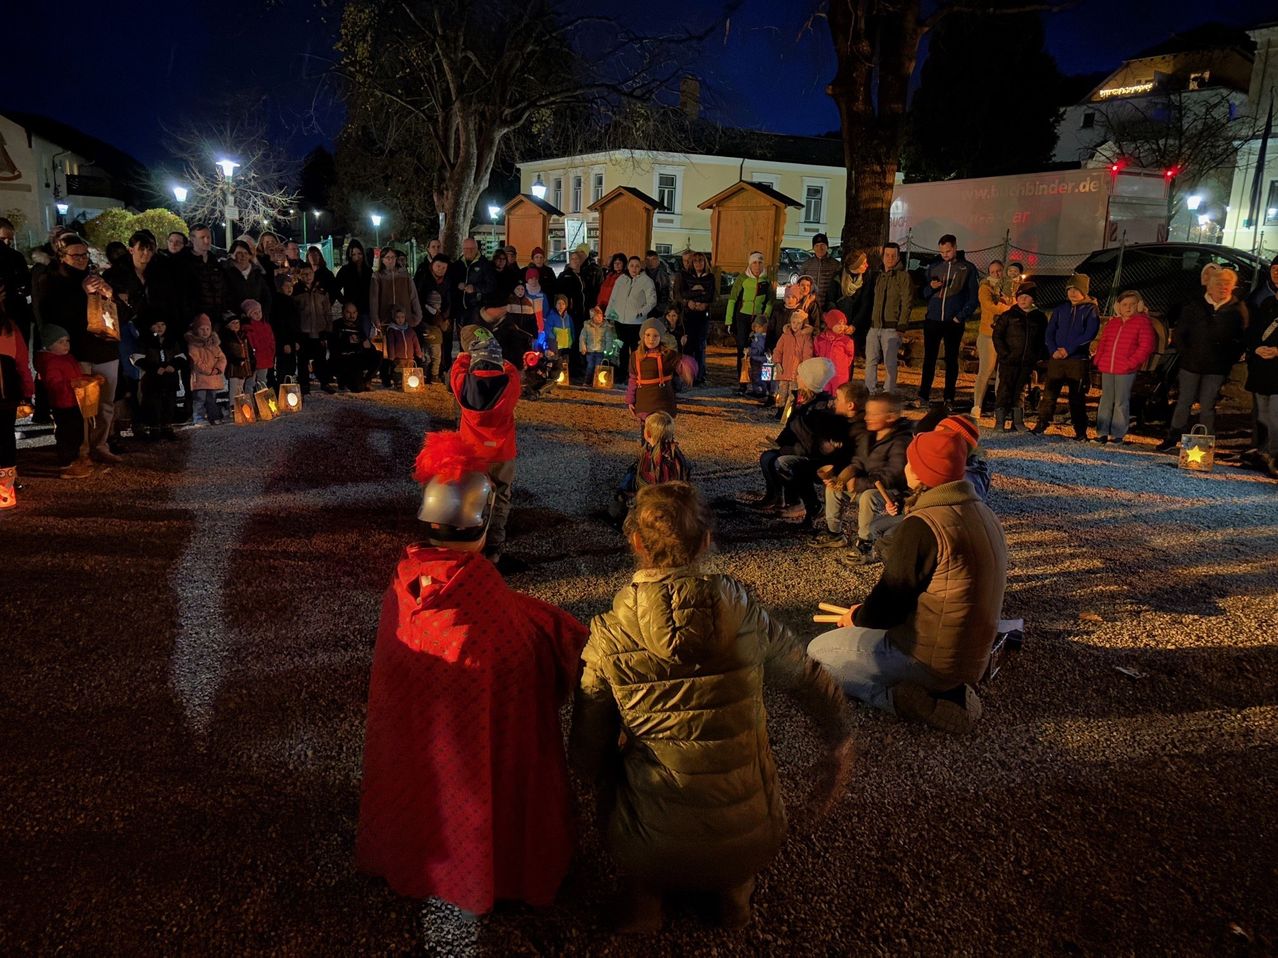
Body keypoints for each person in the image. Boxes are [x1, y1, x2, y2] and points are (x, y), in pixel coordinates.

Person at [570, 481, 852, 933]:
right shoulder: (745, 615)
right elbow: (807, 679)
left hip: (650, 844)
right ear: (705, 541)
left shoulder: (609, 636)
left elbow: (588, 748)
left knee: (618, 771)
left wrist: (595, 775)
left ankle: (645, 902)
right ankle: (733, 896)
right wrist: (838, 737)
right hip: (752, 834)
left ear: (636, 543)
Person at [356, 430, 587, 913]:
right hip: (477, 738)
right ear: (479, 528)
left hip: (425, 730)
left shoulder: (403, 583)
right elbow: (515, 654)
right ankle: (492, 869)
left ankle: (414, 848)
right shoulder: (480, 583)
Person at [807, 428, 1007, 734]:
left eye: (912, 462)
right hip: (972, 657)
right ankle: (941, 689)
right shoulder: (984, 513)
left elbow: (889, 604)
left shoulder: (926, 524)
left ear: (924, 472)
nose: (907, 467)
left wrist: (857, 617)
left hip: (929, 659)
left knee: (818, 654)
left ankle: (903, 698)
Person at [33, 233, 125, 463]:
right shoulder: (50, 281)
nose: (82, 259)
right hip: (75, 351)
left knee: (105, 403)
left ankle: (100, 444)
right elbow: (52, 317)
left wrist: (110, 295)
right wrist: (81, 294)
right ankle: (80, 449)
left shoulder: (96, 278)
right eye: (76, 256)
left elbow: (121, 314)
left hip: (104, 349)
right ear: (62, 256)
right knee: (80, 404)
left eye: (85, 255)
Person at [1155, 267, 1249, 452]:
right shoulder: (1194, 306)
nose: (1223, 287)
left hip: (1217, 368)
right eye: (1219, 283)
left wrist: (1228, 359)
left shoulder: (1237, 309)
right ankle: (1172, 438)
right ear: (1210, 286)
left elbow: (1241, 338)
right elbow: (1180, 333)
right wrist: (1187, 353)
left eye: (1227, 284)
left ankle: (1204, 445)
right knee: (1184, 402)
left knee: (1207, 405)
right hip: (1191, 364)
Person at [452, 328, 521, 569]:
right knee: (501, 495)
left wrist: (465, 357)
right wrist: (503, 361)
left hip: (473, 452)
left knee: (472, 495)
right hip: (502, 452)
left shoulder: (463, 384)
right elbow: (513, 371)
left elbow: (456, 370)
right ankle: (494, 548)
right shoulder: (509, 384)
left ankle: (470, 544)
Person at [816, 390, 911, 557]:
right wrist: (840, 479)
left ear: (890, 417)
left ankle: (866, 543)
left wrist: (857, 484)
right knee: (833, 489)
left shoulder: (900, 441)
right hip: (866, 484)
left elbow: (892, 475)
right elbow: (859, 461)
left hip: (891, 492)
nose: (867, 417)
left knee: (869, 497)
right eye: (868, 413)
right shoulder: (869, 435)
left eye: (874, 414)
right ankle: (834, 532)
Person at [751, 358, 837, 524]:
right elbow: (791, 428)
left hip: (812, 457)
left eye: (800, 375)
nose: (797, 377)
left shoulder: (818, 410)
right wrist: (780, 442)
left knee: (782, 463)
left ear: (809, 380)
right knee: (766, 457)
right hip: (797, 449)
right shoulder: (803, 401)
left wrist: (784, 449)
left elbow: (810, 445)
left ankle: (798, 502)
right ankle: (775, 497)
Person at [1032, 273, 1100, 441]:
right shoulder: (1061, 309)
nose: (1072, 293)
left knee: (1076, 397)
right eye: (1069, 289)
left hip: (1077, 359)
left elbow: (1089, 333)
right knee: (1049, 394)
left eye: (1076, 290)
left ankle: (1080, 430)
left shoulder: (1090, 310)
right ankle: (1042, 423)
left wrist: (1068, 350)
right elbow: (1050, 331)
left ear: (1084, 291)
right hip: (1057, 358)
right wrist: (1053, 350)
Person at [918, 234, 979, 408]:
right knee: (929, 359)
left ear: (955, 248)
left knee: (951, 360)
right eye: (942, 251)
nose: (945, 254)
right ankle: (923, 395)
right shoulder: (934, 267)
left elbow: (973, 298)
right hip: (933, 320)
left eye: (948, 251)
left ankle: (949, 398)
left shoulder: (967, 268)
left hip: (953, 322)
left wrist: (960, 316)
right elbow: (923, 294)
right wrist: (930, 288)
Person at [1092, 291, 1157, 445]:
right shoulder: (1113, 323)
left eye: (1132, 304)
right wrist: (1099, 359)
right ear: (1118, 307)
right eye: (1124, 304)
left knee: (1121, 401)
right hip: (1108, 367)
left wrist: (1131, 362)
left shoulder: (1142, 323)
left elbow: (1146, 346)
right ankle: (1102, 433)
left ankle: (1117, 434)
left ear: (1139, 306)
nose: (1128, 307)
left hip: (1125, 369)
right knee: (1106, 400)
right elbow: (1103, 342)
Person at [34, 325, 99, 478]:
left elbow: (76, 376)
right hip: (63, 404)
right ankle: (66, 464)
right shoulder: (51, 362)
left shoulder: (67, 358)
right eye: (60, 342)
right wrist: (72, 384)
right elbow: (53, 384)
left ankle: (74, 459)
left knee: (76, 432)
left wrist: (89, 379)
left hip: (74, 401)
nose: (66, 345)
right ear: (48, 345)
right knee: (67, 434)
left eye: (67, 341)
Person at [991, 282, 1047, 433]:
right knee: (1004, 389)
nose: (1023, 300)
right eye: (1020, 297)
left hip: (1027, 361)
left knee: (1020, 391)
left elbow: (1043, 339)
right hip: (1009, 360)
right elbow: (997, 336)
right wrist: (1004, 354)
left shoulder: (1039, 318)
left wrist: (1038, 356)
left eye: (1026, 297)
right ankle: (1000, 421)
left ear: (1033, 299)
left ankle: (1018, 421)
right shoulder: (1008, 316)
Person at [0, 279, 34, 504]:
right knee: (4, 437)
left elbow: (21, 362)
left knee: (4, 436)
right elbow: (22, 364)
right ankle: (6, 484)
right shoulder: (9, 328)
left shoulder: (9, 328)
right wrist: (27, 392)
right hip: (7, 393)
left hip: (7, 392)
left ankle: (6, 485)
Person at [865, 242, 913, 396]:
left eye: (893, 255)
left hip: (892, 328)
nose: (890, 258)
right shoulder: (877, 276)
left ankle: (888, 393)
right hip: (874, 326)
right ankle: (870, 390)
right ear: (883, 256)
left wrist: (902, 326)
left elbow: (907, 302)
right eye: (887, 255)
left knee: (890, 363)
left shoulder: (903, 277)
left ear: (898, 257)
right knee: (870, 361)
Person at [724, 251, 773, 389]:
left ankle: (763, 385)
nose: (757, 266)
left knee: (763, 351)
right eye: (754, 263)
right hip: (743, 317)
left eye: (760, 263)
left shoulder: (767, 280)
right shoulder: (742, 278)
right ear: (750, 264)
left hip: (759, 319)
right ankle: (742, 383)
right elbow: (732, 299)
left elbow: (770, 301)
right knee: (742, 350)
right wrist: (729, 320)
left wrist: (765, 317)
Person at [607, 256, 658, 386]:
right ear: (627, 266)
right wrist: (609, 314)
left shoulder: (646, 281)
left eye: (637, 266)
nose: (634, 268)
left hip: (636, 322)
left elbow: (652, 300)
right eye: (631, 266)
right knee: (622, 349)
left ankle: (636, 374)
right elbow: (613, 298)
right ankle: (622, 374)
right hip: (620, 321)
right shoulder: (621, 279)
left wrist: (641, 312)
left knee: (636, 350)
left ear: (641, 267)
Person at [974, 260, 1013, 418]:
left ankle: (1000, 407)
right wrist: (1008, 308)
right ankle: (977, 405)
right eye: (993, 271)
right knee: (985, 371)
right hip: (988, 334)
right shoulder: (985, 288)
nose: (996, 274)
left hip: (1006, 334)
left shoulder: (1010, 287)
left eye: (999, 271)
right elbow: (989, 306)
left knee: (1002, 374)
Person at [1246, 292, 1278, 478]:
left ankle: (1275, 457)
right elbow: (1255, 330)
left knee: (1275, 417)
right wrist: (1256, 347)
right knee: (1264, 416)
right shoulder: (1268, 304)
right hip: (1263, 370)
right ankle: (1264, 453)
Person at [133, 314, 180, 441]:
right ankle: (154, 429)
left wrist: (174, 366)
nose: (160, 327)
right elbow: (138, 359)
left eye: (163, 324)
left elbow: (180, 357)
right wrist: (154, 368)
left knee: (169, 403)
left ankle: (167, 427)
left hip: (170, 378)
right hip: (153, 379)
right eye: (156, 325)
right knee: (154, 404)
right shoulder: (144, 341)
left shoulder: (171, 341)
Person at [624, 317, 679, 422]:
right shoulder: (635, 356)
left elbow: (681, 364)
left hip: (663, 402)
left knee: (664, 429)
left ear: (661, 337)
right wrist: (630, 400)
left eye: (655, 336)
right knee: (647, 430)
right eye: (648, 335)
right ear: (642, 336)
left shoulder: (667, 355)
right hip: (644, 403)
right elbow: (633, 379)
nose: (651, 339)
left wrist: (687, 367)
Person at [771, 306, 816, 418]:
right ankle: (780, 410)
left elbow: (807, 354)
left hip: (797, 372)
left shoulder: (806, 337)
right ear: (790, 322)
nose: (795, 325)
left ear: (803, 324)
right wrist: (777, 362)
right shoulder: (785, 335)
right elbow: (778, 350)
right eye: (793, 322)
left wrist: (804, 369)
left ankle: (790, 412)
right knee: (782, 391)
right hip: (784, 369)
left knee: (794, 393)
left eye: (799, 323)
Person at [679, 252, 715, 386]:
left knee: (700, 345)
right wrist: (699, 291)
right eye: (695, 261)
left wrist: (697, 297)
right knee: (688, 344)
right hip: (689, 315)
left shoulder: (710, 277)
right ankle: (688, 373)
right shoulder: (686, 276)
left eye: (701, 261)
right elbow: (683, 293)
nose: (698, 264)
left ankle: (700, 375)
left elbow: (710, 296)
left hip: (702, 315)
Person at [295, 267, 333, 394]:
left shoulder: (321, 290)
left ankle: (324, 382)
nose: (307, 276)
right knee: (303, 360)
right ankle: (304, 385)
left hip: (319, 330)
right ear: (300, 276)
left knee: (321, 358)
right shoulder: (296, 291)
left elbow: (327, 311)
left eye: (310, 273)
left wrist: (328, 329)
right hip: (303, 331)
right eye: (304, 274)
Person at [417, 255, 455, 375]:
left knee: (443, 345)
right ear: (432, 265)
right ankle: (426, 372)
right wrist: (433, 314)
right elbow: (419, 299)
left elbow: (449, 300)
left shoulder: (447, 280)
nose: (440, 270)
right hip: (425, 318)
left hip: (442, 317)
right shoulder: (423, 278)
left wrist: (445, 316)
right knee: (428, 346)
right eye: (438, 266)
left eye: (444, 268)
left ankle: (442, 370)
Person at [185, 313, 226, 426]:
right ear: (196, 330)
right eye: (202, 329)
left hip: (212, 379)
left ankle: (214, 417)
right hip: (200, 379)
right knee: (200, 399)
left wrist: (218, 369)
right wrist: (208, 370)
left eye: (207, 329)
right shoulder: (193, 346)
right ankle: (199, 418)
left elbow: (222, 358)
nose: (205, 331)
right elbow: (196, 361)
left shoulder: (214, 345)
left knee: (212, 399)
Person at [369, 247, 423, 331]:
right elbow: (374, 299)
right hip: (386, 320)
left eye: (393, 257)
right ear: (382, 259)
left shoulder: (405, 275)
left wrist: (418, 316)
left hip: (405, 319)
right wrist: (375, 318)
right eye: (387, 257)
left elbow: (413, 296)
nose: (390, 260)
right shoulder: (377, 276)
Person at [830, 250, 873, 353]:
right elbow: (831, 301)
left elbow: (865, 304)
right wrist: (837, 321)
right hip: (840, 325)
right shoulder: (838, 278)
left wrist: (854, 325)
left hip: (857, 325)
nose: (867, 265)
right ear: (855, 265)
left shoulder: (866, 278)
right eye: (863, 263)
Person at [184, 225, 227, 323]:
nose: (207, 241)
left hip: (217, 317)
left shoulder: (215, 261)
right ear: (192, 239)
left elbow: (223, 288)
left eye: (208, 237)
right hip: (195, 319)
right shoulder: (184, 263)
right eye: (202, 237)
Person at [223, 239, 273, 323]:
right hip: (237, 321)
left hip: (258, 320)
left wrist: (262, 314)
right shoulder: (226, 273)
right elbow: (225, 297)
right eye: (239, 253)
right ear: (232, 255)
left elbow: (266, 295)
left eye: (246, 253)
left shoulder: (256, 273)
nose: (243, 256)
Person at [449, 237, 495, 324]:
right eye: (466, 248)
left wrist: (475, 288)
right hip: (460, 309)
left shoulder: (485, 264)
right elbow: (451, 283)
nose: (469, 251)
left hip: (478, 309)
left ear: (477, 249)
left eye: (472, 248)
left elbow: (491, 285)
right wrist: (457, 285)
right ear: (463, 249)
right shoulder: (457, 264)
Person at [329, 301, 373, 393]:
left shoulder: (358, 326)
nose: (351, 316)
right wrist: (347, 341)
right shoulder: (336, 325)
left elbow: (366, 343)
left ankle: (365, 380)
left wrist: (363, 342)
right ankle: (342, 379)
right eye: (348, 312)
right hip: (342, 359)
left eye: (354, 313)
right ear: (343, 313)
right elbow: (333, 345)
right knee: (356, 388)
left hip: (356, 359)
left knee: (377, 355)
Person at [270, 273, 303, 387]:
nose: (290, 288)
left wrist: (296, 340)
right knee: (284, 368)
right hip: (284, 342)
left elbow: (295, 324)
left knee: (290, 367)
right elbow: (280, 325)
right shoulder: (278, 302)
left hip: (291, 340)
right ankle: (283, 390)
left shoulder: (290, 300)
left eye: (291, 285)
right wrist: (285, 343)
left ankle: (288, 390)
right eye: (286, 286)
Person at [814, 307, 856, 395]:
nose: (841, 327)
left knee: (838, 394)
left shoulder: (846, 341)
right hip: (824, 373)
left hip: (840, 374)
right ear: (830, 324)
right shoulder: (820, 339)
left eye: (843, 324)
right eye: (838, 324)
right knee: (824, 394)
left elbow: (850, 355)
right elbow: (817, 353)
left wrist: (843, 366)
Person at [239, 299, 276, 393]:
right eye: (255, 313)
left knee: (262, 381)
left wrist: (271, 351)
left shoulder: (266, 325)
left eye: (259, 312)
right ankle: (249, 400)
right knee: (250, 382)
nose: (258, 314)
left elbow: (271, 340)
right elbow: (249, 344)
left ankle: (263, 399)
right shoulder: (247, 328)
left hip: (265, 357)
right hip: (253, 359)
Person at [798, 233, 840, 314]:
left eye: (822, 245)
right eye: (816, 245)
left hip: (829, 306)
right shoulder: (807, 264)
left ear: (827, 246)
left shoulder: (835, 265)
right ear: (813, 247)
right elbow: (799, 285)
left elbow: (838, 287)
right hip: (810, 305)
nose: (819, 248)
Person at [335, 239, 372, 323]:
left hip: (366, 310)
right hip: (350, 311)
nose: (357, 257)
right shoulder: (345, 270)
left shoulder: (368, 270)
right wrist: (345, 302)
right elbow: (335, 288)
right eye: (353, 254)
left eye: (359, 254)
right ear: (350, 255)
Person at [580, 306, 616, 384]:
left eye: (601, 316)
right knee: (590, 366)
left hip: (600, 351)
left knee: (598, 366)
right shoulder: (587, 326)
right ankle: (587, 381)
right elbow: (582, 338)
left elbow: (609, 339)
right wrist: (583, 347)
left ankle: (596, 381)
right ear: (592, 317)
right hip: (590, 351)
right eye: (597, 316)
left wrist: (608, 350)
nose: (599, 318)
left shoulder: (606, 327)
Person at [220, 314, 250, 402]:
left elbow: (248, 350)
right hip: (233, 367)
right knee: (233, 390)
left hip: (243, 367)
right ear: (228, 325)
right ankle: (233, 407)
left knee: (240, 388)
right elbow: (227, 353)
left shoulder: (242, 336)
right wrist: (236, 360)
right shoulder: (227, 337)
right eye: (233, 323)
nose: (236, 325)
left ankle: (240, 406)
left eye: (237, 322)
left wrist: (251, 361)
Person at [544, 293, 575, 364]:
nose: (561, 305)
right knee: (556, 363)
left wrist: (572, 340)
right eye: (559, 303)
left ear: (566, 305)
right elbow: (548, 331)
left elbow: (572, 330)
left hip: (566, 346)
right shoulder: (551, 317)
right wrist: (552, 342)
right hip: (555, 346)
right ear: (555, 305)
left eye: (563, 304)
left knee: (565, 364)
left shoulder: (569, 317)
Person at [746, 317, 772, 399]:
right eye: (755, 326)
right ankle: (761, 390)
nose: (756, 329)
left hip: (759, 360)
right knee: (759, 376)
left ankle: (760, 391)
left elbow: (760, 349)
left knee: (758, 376)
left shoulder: (761, 338)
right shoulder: (756, 336)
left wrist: (751, 351)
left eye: (759, 327)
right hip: (759, 359)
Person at [643, 250, 671, 318]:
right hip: (643, 309)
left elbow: (665, 296)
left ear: (658, 261)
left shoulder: (663, 275)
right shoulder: (642, 273)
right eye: (648, 259)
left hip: (657, 310)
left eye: (653, 259)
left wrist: (658, 310)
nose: (650, 262)